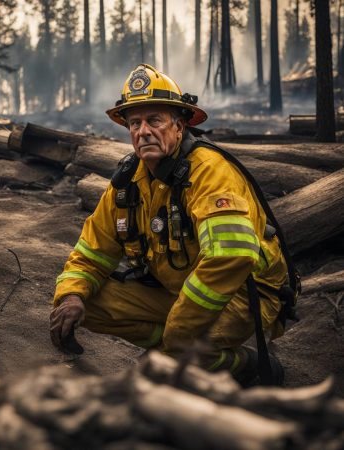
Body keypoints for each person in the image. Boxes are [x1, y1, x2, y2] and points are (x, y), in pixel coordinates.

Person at [50, 64, 296, 385]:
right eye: (135, 123)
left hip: (246, 295)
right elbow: (92, 251)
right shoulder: (129, 180)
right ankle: (177, 350)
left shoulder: (209, 171)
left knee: (173, 356)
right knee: (89, 304)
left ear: (180, 126)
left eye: (154, 120)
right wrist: (70, 296)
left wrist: (179, 331)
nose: (143, 131)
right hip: (181, 293)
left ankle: (243, 364)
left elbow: (231, 256)